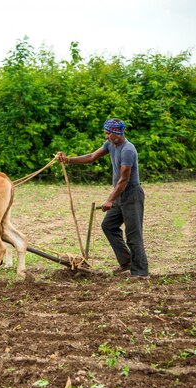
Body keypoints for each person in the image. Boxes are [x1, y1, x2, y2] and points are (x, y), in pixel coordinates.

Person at [56, 118, 149, 279]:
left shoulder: (128, 150)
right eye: (106, 133)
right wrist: (68, 160)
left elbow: (124, 180)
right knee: (108, 226)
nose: (106, 137)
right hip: (119, 194)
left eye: (108, 133)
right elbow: (92, 156)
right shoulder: (111, 145)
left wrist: (110, 200)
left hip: (131, 195)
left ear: (117, 133)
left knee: (133, 235)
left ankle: (141, 272)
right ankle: (126, 262)